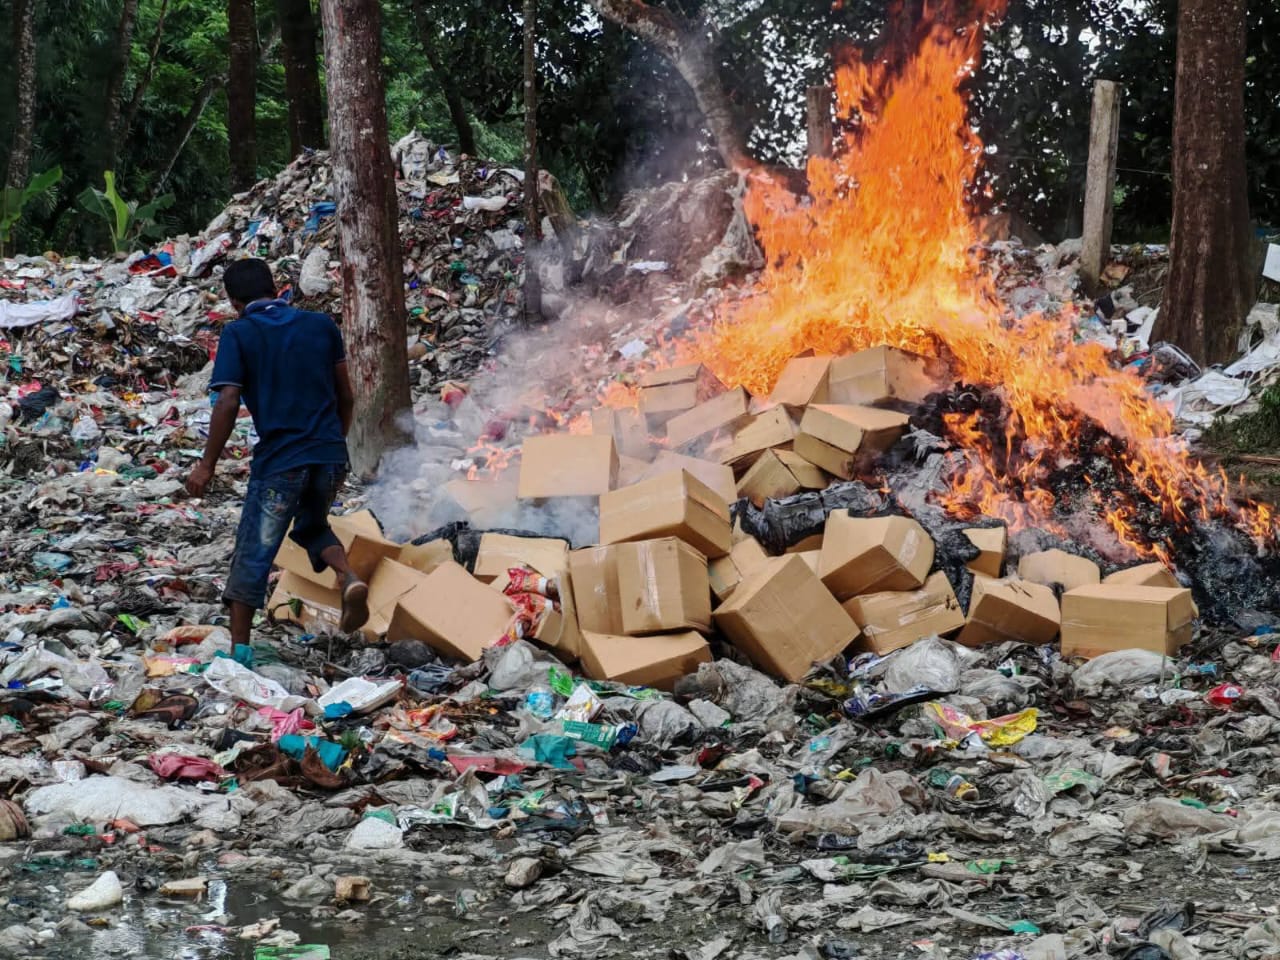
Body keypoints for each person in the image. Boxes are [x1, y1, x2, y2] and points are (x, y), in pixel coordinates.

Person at [185, 258, 369, 645]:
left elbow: (229, 399)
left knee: (254, 551)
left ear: (234, 301)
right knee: (312, 525)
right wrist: (335, 442)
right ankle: (348, 577)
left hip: (282, 460)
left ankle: (240, 656)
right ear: (276, 287)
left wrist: (206, 465)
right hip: (330, 454)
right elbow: (347, 395)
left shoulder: (239, 332)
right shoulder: (321, 324)